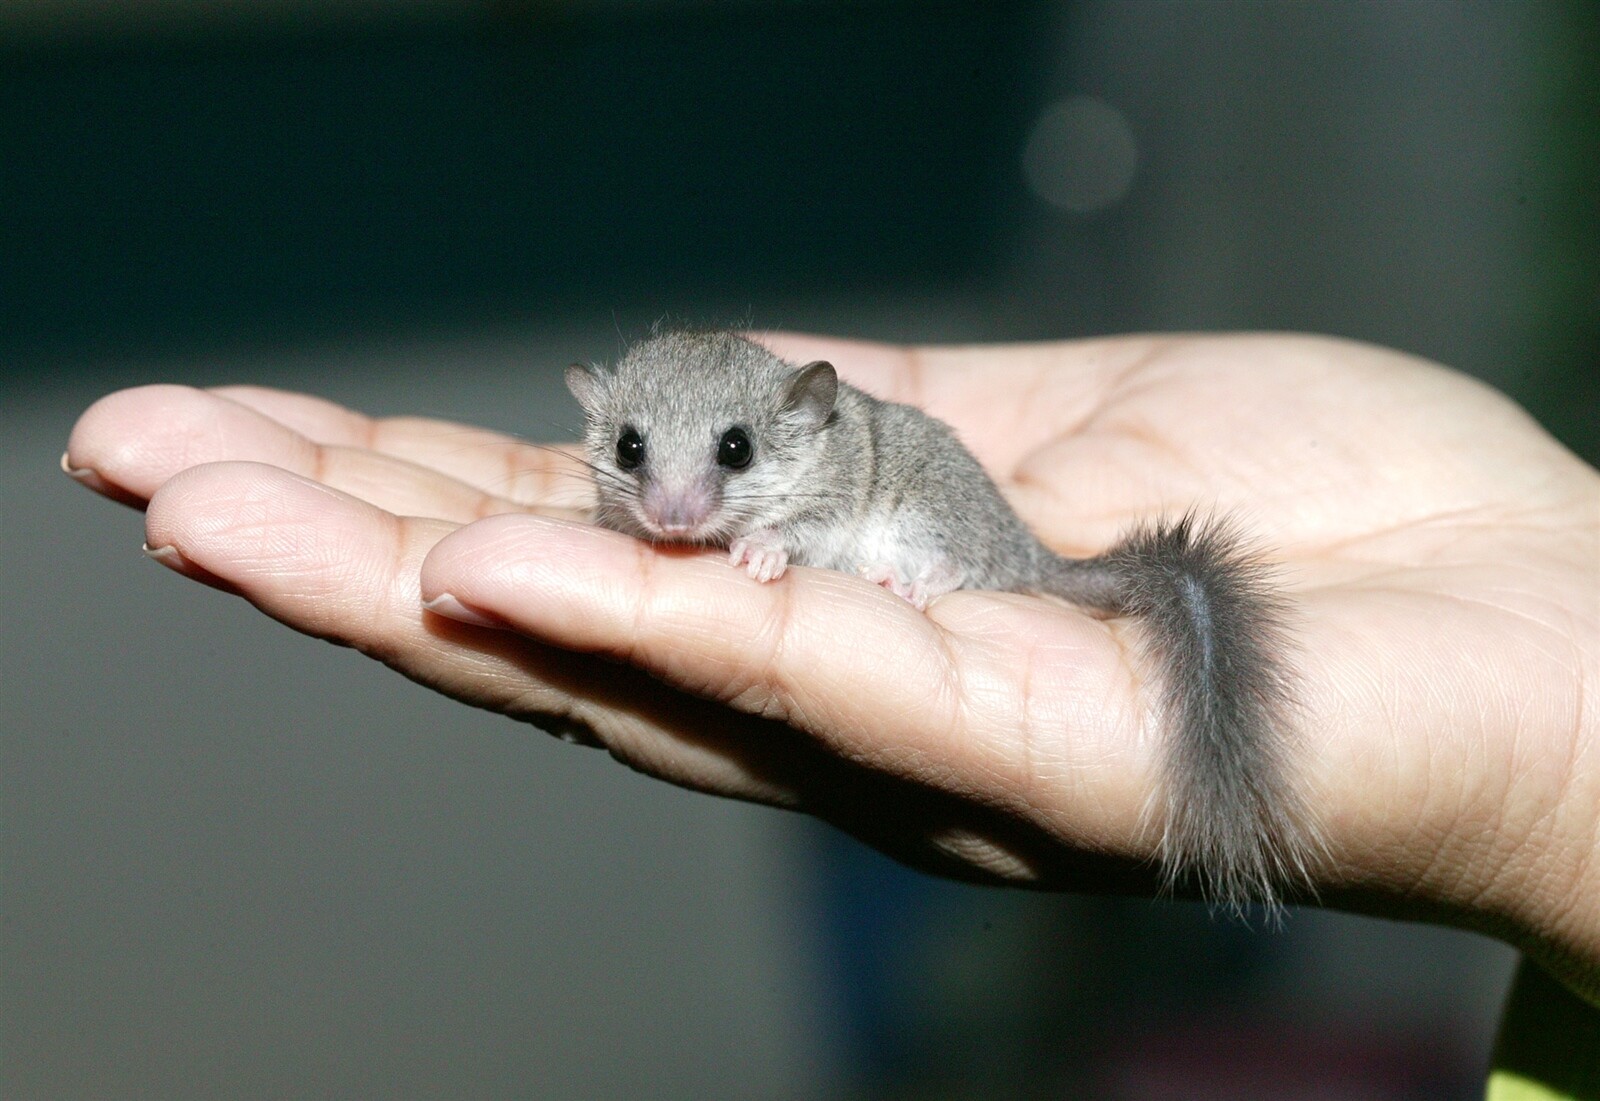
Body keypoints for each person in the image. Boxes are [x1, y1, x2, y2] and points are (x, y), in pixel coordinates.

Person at [64, 331, 1600, 1090]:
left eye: (726, 462)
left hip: (941, 545)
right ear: (601, 425)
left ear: (795, 422)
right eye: (635, 463)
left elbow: (825, 507)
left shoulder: (849, 453)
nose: (668, 505)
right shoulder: (658, 463)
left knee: (905, 547)